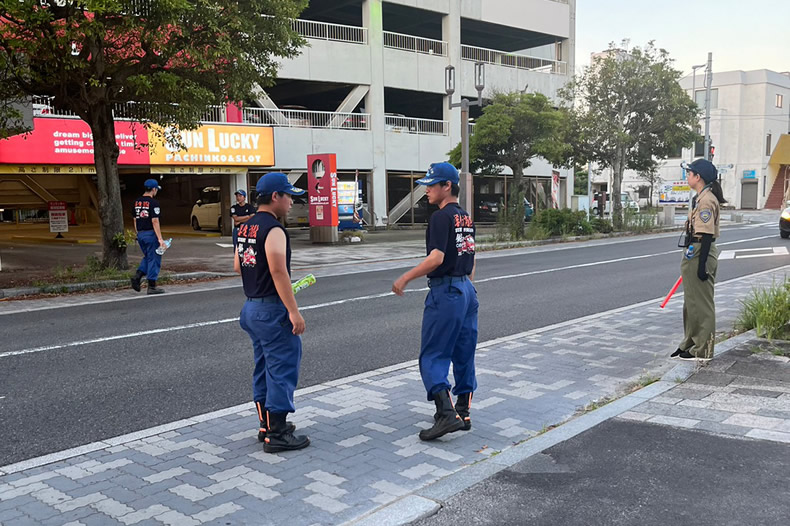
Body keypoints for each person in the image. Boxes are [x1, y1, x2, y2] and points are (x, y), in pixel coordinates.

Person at [392, 162, 479, 441]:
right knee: (463, 352)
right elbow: (471, 257)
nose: (427, 190)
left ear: (447, 186)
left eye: (432, 184)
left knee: (433, 354)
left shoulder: (440, 218)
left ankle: (445, 414)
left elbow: (436, 258)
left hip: (446, 291)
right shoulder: (465, 217)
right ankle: (463, 412)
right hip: (466, 289)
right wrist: (467, 287)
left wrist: (405, 277)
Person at [234, 172, 310, 453]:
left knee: (263, 366)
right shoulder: (274, 230)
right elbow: (278, 271)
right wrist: (294, 311)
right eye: (288, 196)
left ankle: (265, 424)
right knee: (281, 369)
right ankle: (277, 433)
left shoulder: (244, 228)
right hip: (271, 309)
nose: (291, 202)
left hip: (251, 307)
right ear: (275, 196)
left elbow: (238, 266)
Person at [671, 158, 725, 362]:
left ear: (698, 177)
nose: (687, 176)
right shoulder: (700, 197)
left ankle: (704, 348)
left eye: (690, 173)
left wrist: (702, 265)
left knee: (702, 303)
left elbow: (707, 233)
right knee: (691, 301)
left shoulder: (706, 200)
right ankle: (691, 342)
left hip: (701, 250)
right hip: (694, 250)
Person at [131, 179, 167, 295]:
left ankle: (137, 276)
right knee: (154, 259)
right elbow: (155, 221)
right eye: (156, 189)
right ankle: (152, 286)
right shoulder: (153, 203)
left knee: (148, 257)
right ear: (154, 189)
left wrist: (138, 233)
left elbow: (135, 219)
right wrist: (160, 239)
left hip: (141, 233)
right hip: (150, 234)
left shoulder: (137, 202)